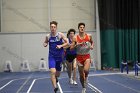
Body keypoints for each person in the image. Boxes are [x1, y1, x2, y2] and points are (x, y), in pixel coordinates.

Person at [43, 21, 68, 93]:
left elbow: (67, 42)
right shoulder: (48, 36)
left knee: (58, 74)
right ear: (50, 28)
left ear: (56, 28)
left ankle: (56, 78)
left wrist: (61, 45)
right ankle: (55, 88)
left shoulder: (60, 35)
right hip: (52, 56)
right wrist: (45, 44)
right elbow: (45, 42)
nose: (53, 28)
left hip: (59, 57)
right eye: (51, 27)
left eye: (54, 27)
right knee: (52, 71)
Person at [70, 22, 94, 93]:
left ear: (84, 28)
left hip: (87, 55)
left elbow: (92, 42)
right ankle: (83, 87)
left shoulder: (89, 36)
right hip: (79, 57)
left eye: (83, 27)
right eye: (80, 27)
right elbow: (71, 48)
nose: (82, 28)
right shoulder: (75, 38)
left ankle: (86, 77)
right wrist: (77, 44)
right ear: (78, 29)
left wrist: (92, 46)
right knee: (81, 75)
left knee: (86, 70)